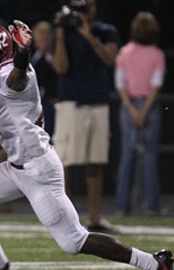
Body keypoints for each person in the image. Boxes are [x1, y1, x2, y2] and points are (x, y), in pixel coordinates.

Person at [0, 19, 174, 270]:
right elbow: (7, 126)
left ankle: (156, 264)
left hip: (39, 170)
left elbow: (17, 80)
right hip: (15, 166)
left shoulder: (10, 72)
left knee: (74, 241)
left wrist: (22, 55)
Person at [52, 0, 119, 232]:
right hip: (71, 102)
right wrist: (60, 32)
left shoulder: (105, 31)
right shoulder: (65, 34)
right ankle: (66, 219)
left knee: (95, 162)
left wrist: (88, 35)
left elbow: (110, 59)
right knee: (65, 163)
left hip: (98, 102)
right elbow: (60, 67)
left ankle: (94, 217)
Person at [115, 12, 165, 216]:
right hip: (149, 108)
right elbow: (156, 85)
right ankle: (152, 206)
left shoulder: (124, 52)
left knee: (127, 156)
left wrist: (133, 109)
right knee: (150, 157)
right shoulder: (157, 54)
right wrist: (143, 111)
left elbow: (120, 85)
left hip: (129, 107)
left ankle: (122, 206)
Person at [31, 21, 58, 136]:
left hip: (55, 105)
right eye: (40, 34)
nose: (43, 37)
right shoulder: (29, 61)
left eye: (46, 34)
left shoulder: (58, 60)